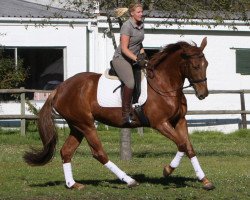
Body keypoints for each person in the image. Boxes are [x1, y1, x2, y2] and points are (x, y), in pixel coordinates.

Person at [112, 3, 146, 126]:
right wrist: (137, 59)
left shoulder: (141, 25)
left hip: (134, 59)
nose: (141, 14)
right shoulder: (126, 26)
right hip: (121, 59)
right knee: (130, 83)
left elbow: (139, 43)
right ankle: (125, 114)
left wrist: (143, 55)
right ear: (132, 13)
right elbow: (124, 49)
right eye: (138, 12)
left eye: (142, 12)